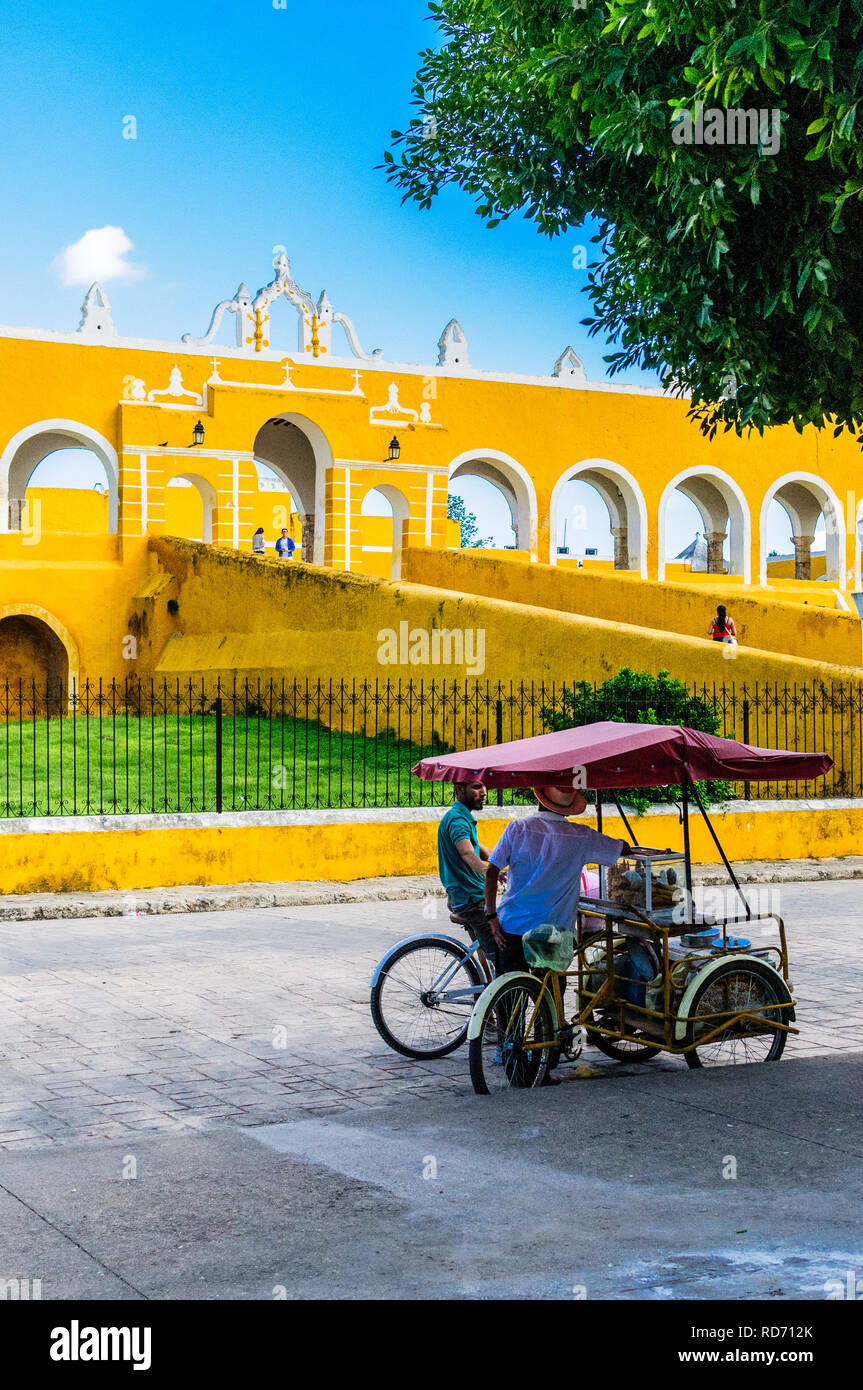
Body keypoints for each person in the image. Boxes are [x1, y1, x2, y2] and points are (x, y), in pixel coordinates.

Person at [484, 785, 630, 1014]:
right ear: (569, 807)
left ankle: (507, 1047)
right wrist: (623, 843)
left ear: (540, 798)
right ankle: (549, 1042)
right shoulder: (581, 836)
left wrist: (492, 917)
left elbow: (491, 871)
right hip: (554, 933)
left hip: (512, 928)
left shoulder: (517, 829)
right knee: (550, 1000)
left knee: (509, 997)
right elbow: (621, 848)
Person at [437, 780, 501, 966]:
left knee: (484, 947)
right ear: (459, 789)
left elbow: (483, 851)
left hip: (464, 897)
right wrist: (488, 872)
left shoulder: (460, 817)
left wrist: (512, 861)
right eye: (476, 787)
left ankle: (485, 987)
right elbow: (466, 852)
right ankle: (501, 992)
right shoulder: (458, 820)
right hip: (472, 899)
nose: (484, 792)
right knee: (500, 953)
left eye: (484, 786)